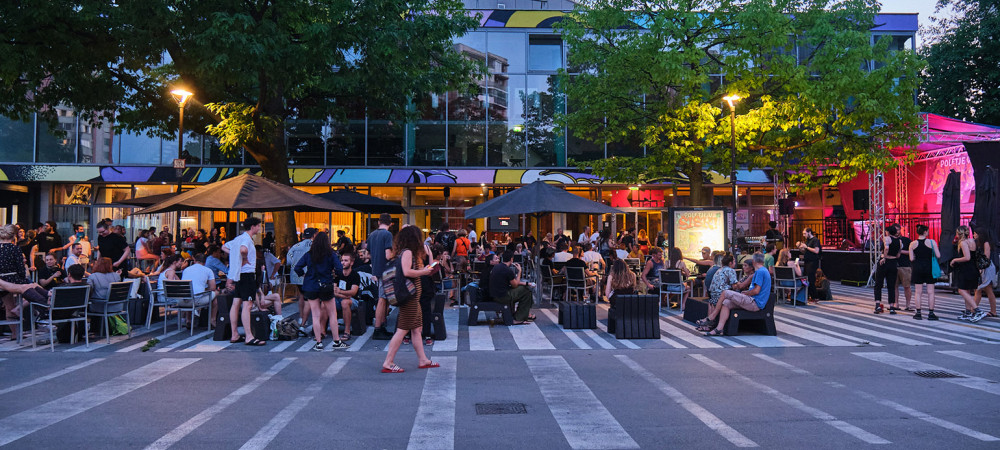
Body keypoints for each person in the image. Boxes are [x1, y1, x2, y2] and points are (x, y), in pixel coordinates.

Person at [382, 225, 439, 373]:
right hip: (410, 298)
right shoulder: (407, 252)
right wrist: (424, 272)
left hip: (414, 297)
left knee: (417, 329)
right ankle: (388, 362)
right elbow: (407, 271)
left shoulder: (407, 252)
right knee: (402, 330)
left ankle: (423, 359)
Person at [294, 231, 347, 350]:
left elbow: (297, 267)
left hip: (311, 286)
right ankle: (336, 341)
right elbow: (339, 269)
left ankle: (318, 342)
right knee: (333, 314)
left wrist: (304, 275)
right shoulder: (331, 254)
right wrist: (333, 275)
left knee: (315, 316)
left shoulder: (309, 254)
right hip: (326, 286)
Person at [703, 252, 772, 336]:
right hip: (754, 301)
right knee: (726, 303)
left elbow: (756, 291)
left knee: (726, 292)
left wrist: (746, 293)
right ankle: (719, 328)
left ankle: (712, 317)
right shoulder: (763, 270)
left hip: (754, 302)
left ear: (754, 261)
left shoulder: (760, 272)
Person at [224, 217, 265, 346]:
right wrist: (244, 258)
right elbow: (243, 249)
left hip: (238, 274)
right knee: (247, 305)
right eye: (258, 226)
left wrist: (235, 257)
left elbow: (224, 247)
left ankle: (234, 333)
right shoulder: (247, 239)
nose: (259, 228)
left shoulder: (238, 238)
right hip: (247, 274)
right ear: (253, 227)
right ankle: (249, 336)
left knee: (236, 303)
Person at [368, 213, 395, 340]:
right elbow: (388, 255)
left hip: (376, 270)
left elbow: (368, 254)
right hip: (386, 270)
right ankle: (378, 329)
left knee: (383, 299)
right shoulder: (387, 235)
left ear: (379, 222)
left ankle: (381, 326)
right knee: (382, 299)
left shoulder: (372, 235)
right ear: (390, 223)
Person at [696, 254, 739, 332]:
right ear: (730, 263)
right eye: (734, 261)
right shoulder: (731, 270)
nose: (735, 263)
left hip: (713, 295)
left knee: (711, 302)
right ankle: (712, 323)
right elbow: (734, 286)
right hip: (722, 296)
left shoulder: (719, 270)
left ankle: (709, 324)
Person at [490, 250, 535, 323]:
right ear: (511, 259)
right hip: (503, 297)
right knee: (527, 291)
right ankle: (519, 318)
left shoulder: (497, 267)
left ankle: (521, 314)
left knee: (523, 288)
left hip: (495, 295)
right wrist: (519, 271)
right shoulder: (508, 270)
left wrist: (525, 283)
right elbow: (515, 285)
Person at [951, 225, 984, 321]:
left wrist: (955, 260)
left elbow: (967, 257)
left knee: (961, 290)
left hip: (966, 269)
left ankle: (978, 310)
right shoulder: (972, 241)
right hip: (973, 268)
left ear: (959, 233)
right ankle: (968, 312)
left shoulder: (963, 243)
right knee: (967, 290)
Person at [286, 228, 316, 328]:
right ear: (314, 235)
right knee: (309, 297)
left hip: (296, 275)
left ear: (303, 236)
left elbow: (289, 261)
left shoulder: (295, 246)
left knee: (301, 296)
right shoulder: (314, 246)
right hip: (310, 274)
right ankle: (306, 320)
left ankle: (301, 317)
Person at [908, 224, 939, 320]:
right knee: (931, 292)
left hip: (917, 268)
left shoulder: (912, 244)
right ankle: (931, 313)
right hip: (929, 268)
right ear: (925, 232)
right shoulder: (932, 242)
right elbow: (938, 255)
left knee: (918, 292)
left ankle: (918, 313)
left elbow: (911, 258)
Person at [182, 253, 218, 327]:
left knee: (190, 293)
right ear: (205, 262)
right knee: (216, 293)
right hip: (197, 301)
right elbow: (213, 288)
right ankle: (212, 319)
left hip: (182, 301)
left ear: (194, 260)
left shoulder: (186, 270)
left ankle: (188, 319)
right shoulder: (208, 270)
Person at [872, 225, 901, 314]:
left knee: (878, 284)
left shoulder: (886, 238)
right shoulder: (899, 241)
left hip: (884, 262)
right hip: (893, 262)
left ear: (888, 232)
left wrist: (884, 257)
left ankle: (878, 305)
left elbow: (886, 247)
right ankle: (891, 307)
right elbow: (899, 254)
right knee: (891, 285)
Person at [334, 252, 361, 339]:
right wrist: (344, 295)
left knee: (345, 303)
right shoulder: (338, 274)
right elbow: (334, 291)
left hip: (353, 300)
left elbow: (353, 292)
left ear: (351, 262)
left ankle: (347, 331)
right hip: (340, 298)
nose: (343, 262)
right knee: (325, 303)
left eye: (346, 260)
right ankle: (322, 331)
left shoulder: (355, 275)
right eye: (342, 260)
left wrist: (340, 292)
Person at [972, 227, 997, 320]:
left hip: (986, 268)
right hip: (983, 268)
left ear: (980, 234)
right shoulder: (978, 243)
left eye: (975, 233)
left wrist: (980, 268)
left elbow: (986, 257)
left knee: (983, 289)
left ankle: (973, 309)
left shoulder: (985, 243)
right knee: (982, 289)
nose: (974, 235)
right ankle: (973, 309)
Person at [796, 227, 822, 301]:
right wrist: (800, 246)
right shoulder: (807, 241)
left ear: (809, 232)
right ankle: (808, 295)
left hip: (813, 261)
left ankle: (815, 296)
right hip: (807, 261)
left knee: (810, 278)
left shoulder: (815, 240)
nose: (804, 235)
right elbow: (805, 251)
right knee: (806, 278)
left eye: (805, 233)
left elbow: (816, 251)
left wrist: (806, 247)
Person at [893, 225, 913, 310]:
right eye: (895, 230)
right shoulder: (890, 240)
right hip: (893, 265)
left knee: (907, 286)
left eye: (898, 230)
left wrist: (900, 251)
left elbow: (911, 252)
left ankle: (908, 305)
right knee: (894, 286)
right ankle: (895, 304)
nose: (897, 232)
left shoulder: (906, 240)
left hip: (905, 265)